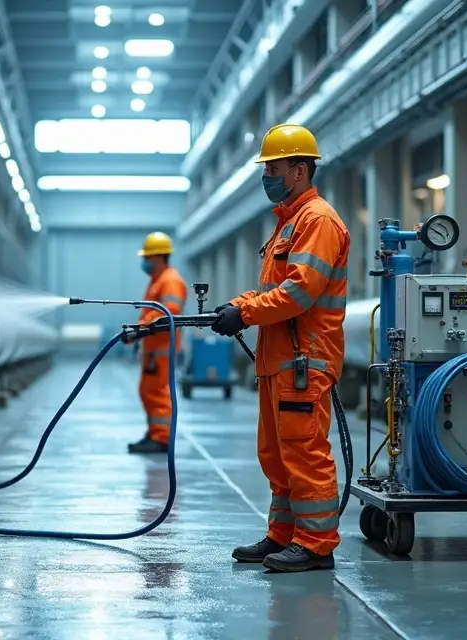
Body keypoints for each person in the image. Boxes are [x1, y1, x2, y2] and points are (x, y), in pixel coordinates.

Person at [210, 124, 350, 573]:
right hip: (280, 359)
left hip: (304, 357)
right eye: (266, 167)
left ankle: (316, 544)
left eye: (273, 167)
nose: (267, 174)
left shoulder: (318, 221)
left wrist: (246, 315)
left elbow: (299, 293)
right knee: (276, 453)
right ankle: (284, 535)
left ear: (299, 169)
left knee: (304, 450)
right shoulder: (289, 223)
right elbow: (275, 288)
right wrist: (238, 305)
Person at [126, 231, 188, 454]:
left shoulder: (170, 281)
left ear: (159, 257)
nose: (144, 262)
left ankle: (162, 438)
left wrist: (140, 329)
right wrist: (139, 331)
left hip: (162, 348)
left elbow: (169, 311)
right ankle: (154, 432)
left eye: (147, 257)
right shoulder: (158, 281)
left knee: (158, 392)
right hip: (153, 348)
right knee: (148, 391)